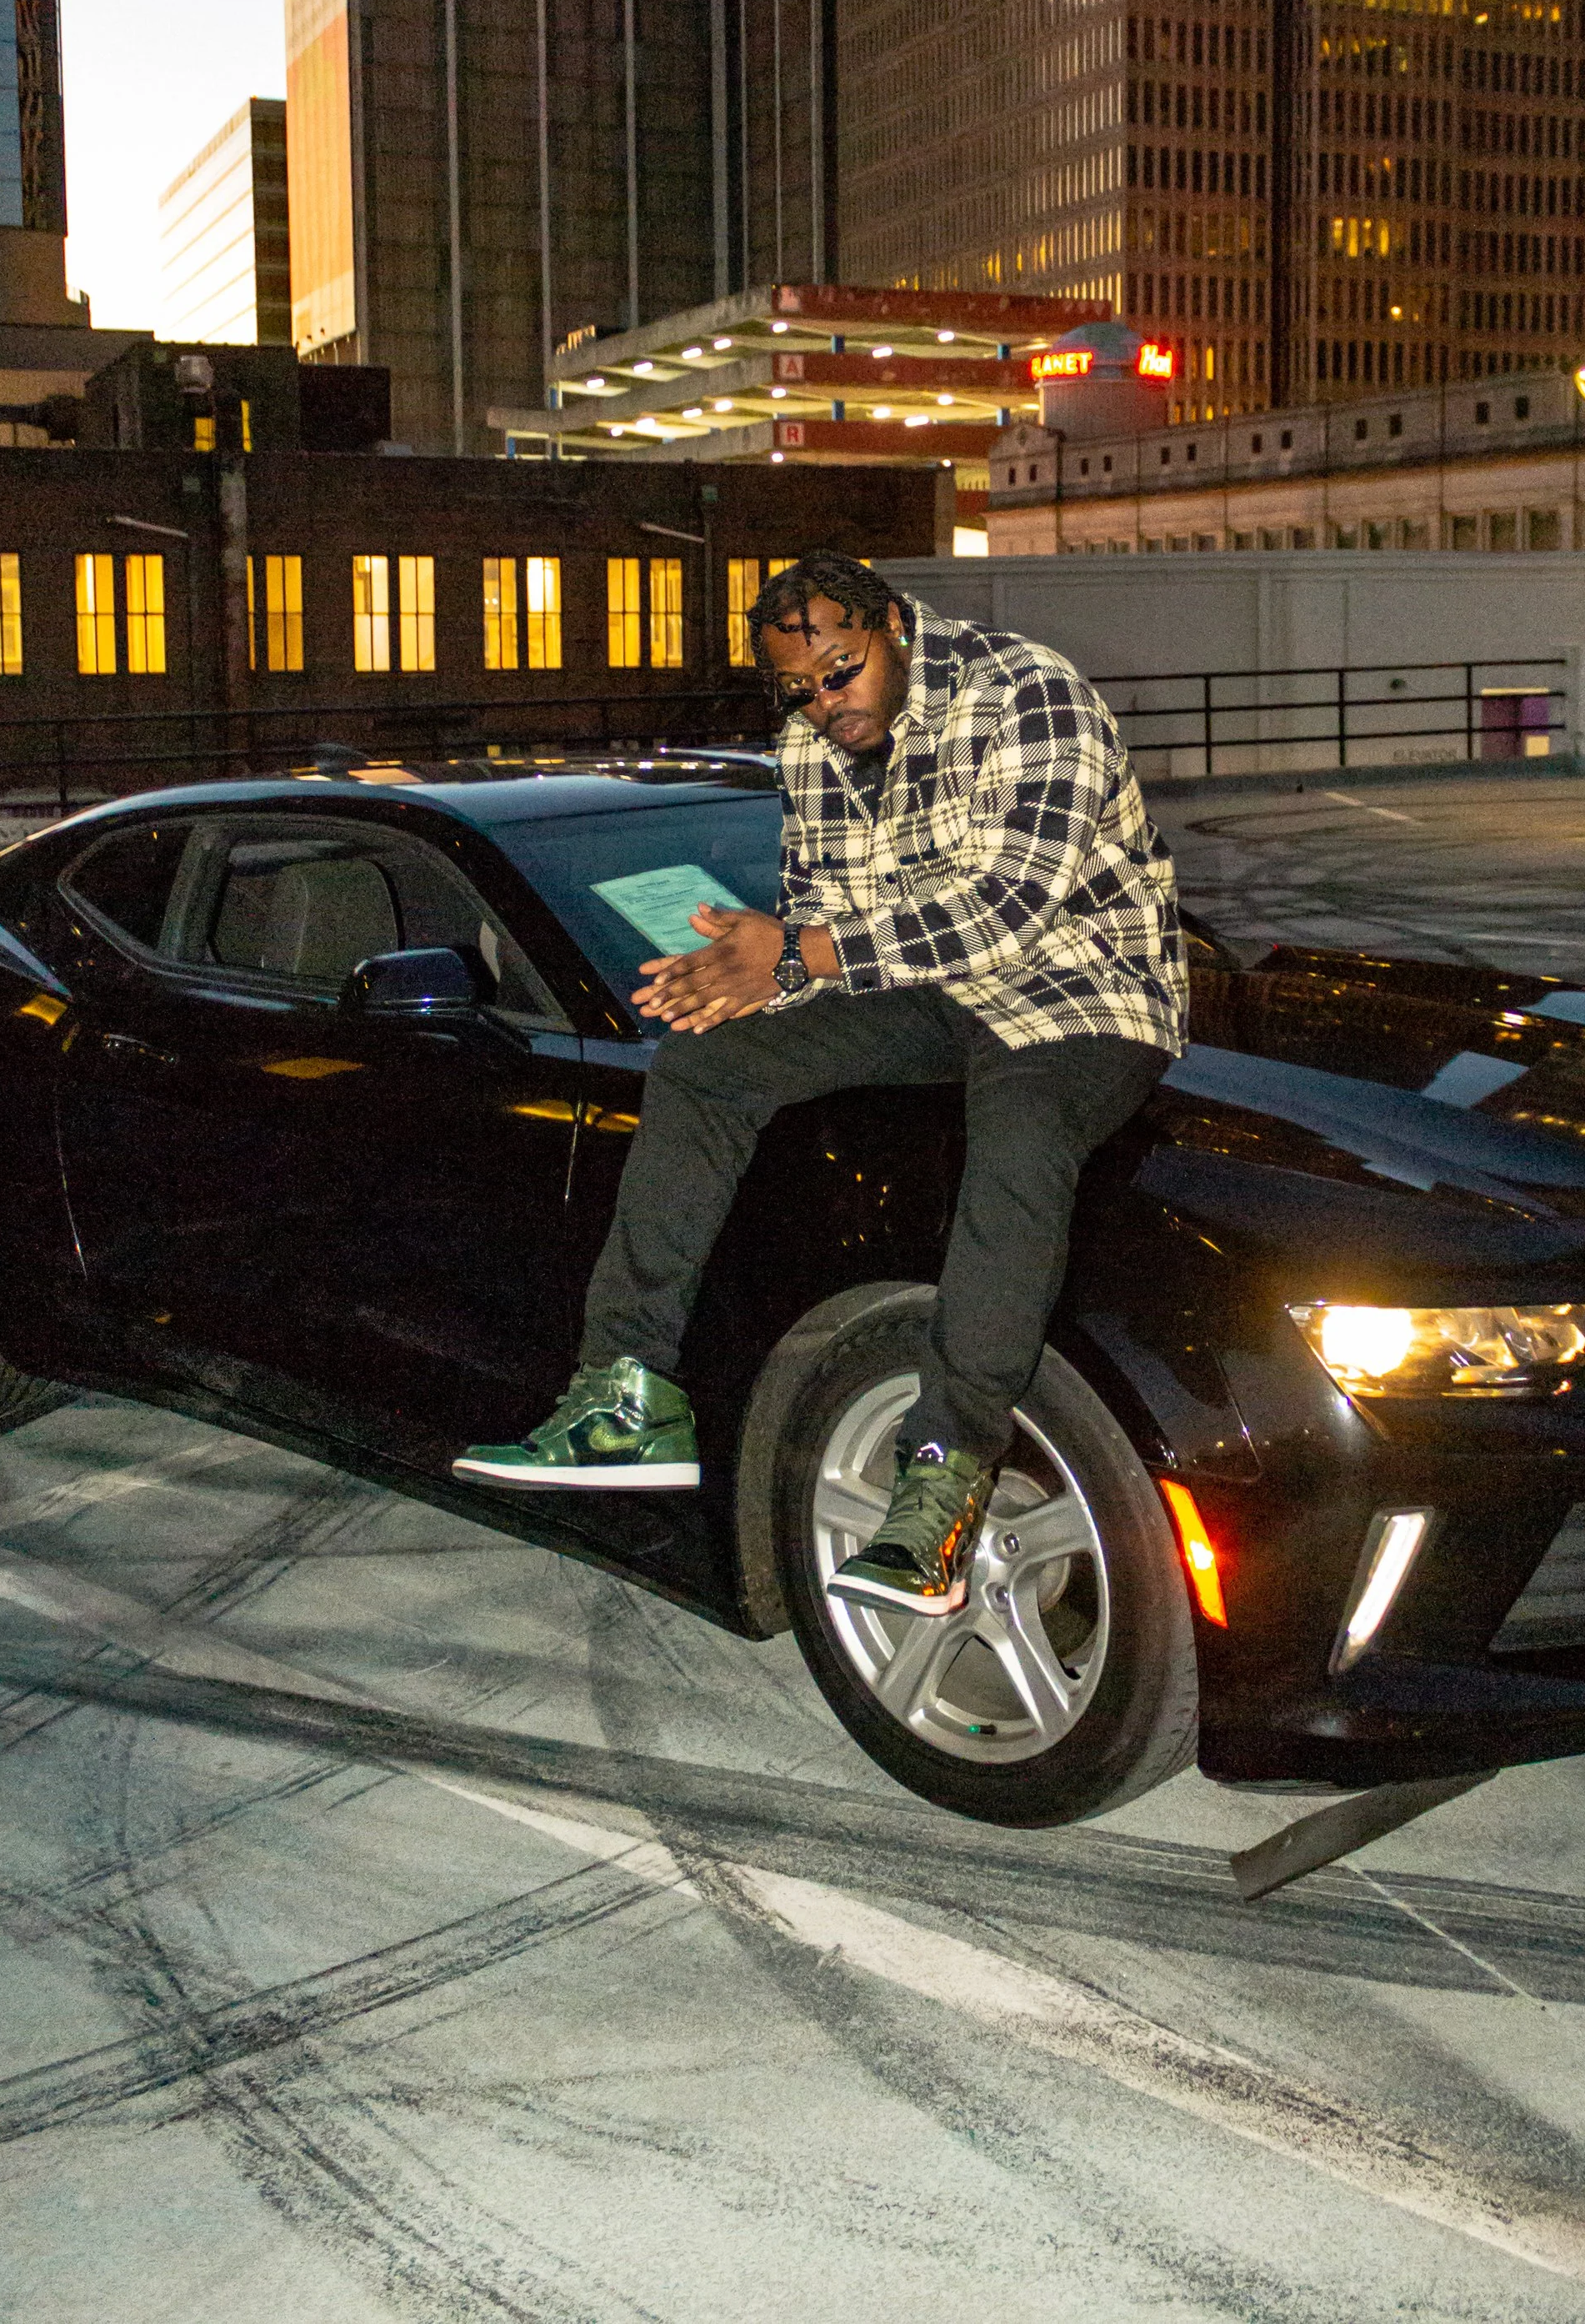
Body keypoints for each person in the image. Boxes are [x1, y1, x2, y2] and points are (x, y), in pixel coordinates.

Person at [453, 553, 1188, 1619]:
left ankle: (941, 1477)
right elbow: (828, 910)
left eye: (840, 672)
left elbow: (1010, 907)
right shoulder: (810, 743)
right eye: (798, 687)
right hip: (929, 992)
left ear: (894, 627)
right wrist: (736, 985)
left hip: (1078, 991)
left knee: (1019, 1138)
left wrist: (794, 955)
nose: (821, 703)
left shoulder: (1028, 691)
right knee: (708, 1061)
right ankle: (626, 1397)